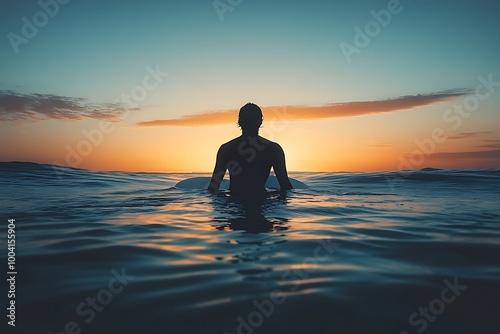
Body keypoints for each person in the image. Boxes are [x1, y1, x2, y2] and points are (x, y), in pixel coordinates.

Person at [208, 103, 293, 195]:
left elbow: (213, 188)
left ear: (240, 121)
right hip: (262, 203)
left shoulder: (227, 149)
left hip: (235, 202)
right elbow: (285, 187)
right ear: (260, 121)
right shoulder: (273, 149)